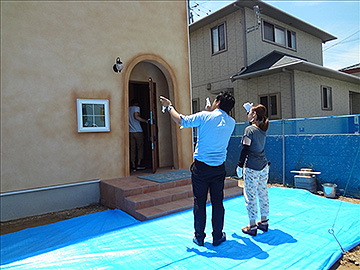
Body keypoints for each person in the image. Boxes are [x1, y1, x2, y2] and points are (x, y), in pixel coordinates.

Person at [159, 91, 235, 247]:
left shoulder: (204, 117)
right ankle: (217, 236)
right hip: (219, 168)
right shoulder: (231, 122)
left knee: (200, 202)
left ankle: (199, 236)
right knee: (217, 202)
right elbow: (214, 125)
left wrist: (169, 106)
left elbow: (181, 120)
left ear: (218, 102)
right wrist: (209, 112)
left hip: (201, 168)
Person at [236, 103, 270, 236]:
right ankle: (264, 221)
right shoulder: (263, 129)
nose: (248, 114)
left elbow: (245, 148)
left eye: (250, 112)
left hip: (252, 167)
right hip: (263, 166)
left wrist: (239, 165)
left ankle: (252, 226)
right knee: (263, 193)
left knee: (250, 195)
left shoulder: (249, 130)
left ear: (254, 115)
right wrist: (251, 111)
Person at [129, 99, 148, 171]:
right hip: (138, 130)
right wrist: (145, 121)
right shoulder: (136, 108)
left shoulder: (128, 108)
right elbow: (136, 116)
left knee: (132, 148)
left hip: (130, 131)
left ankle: (133, 164)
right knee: (140, 147)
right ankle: (139, 164)